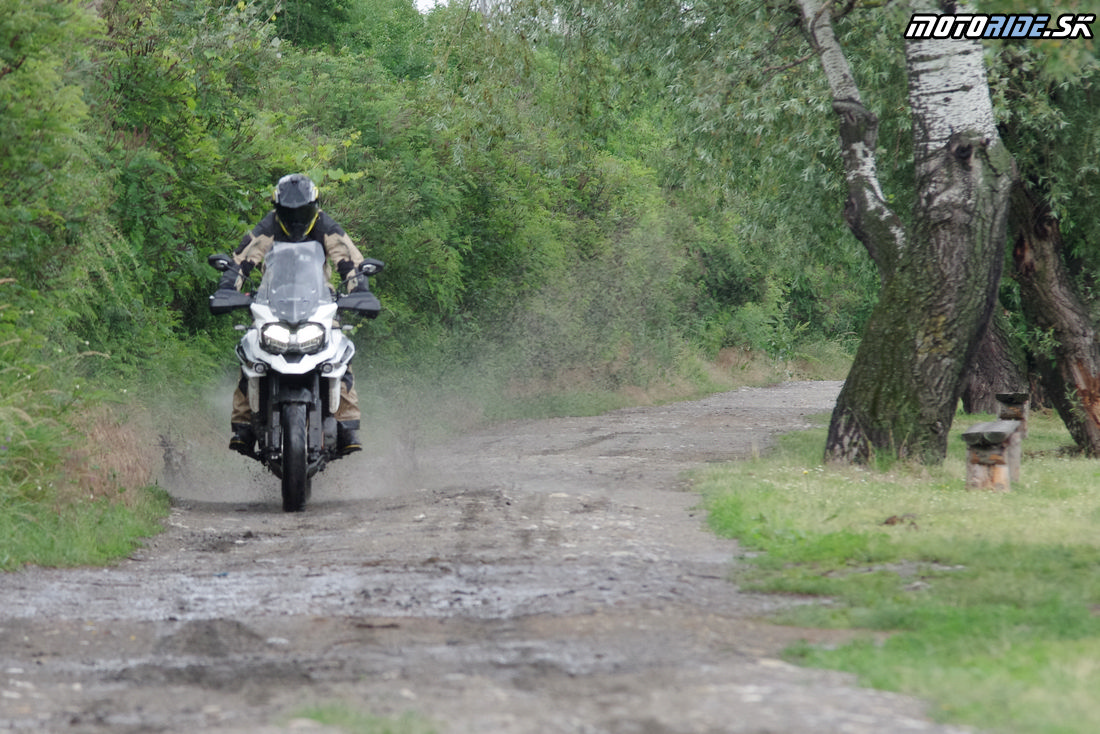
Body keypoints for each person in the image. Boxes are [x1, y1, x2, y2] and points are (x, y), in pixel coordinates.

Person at [214, 173, 373, 457]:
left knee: (340, 353)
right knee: (250, 352)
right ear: (278, 207)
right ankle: (243, 424)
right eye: (290, 212)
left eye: (302, 211)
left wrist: (359, 289)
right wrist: (228, 288)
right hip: (272, 302)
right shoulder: (270, 225)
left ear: (314, 205)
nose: (296, 217)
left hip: (318, 303)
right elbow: (242, 259)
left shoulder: (325, 225)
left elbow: (349, 260)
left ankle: (347, 422)